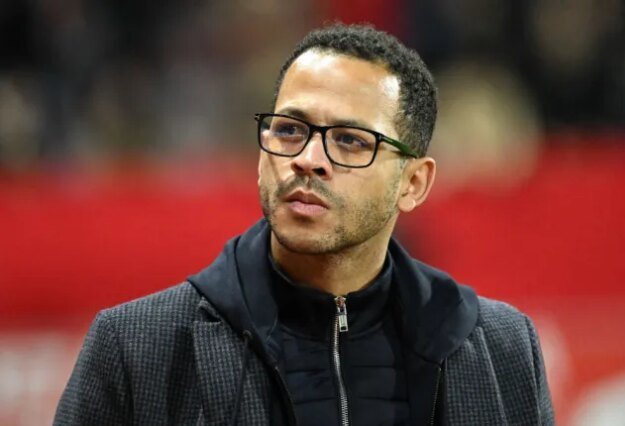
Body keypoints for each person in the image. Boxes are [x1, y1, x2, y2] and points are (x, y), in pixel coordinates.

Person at [55, 23, 554, 425]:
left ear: (414, 183)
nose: (309, 159)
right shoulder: (135, 348)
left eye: (350, 141)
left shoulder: (504, 349)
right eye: (290, 130)